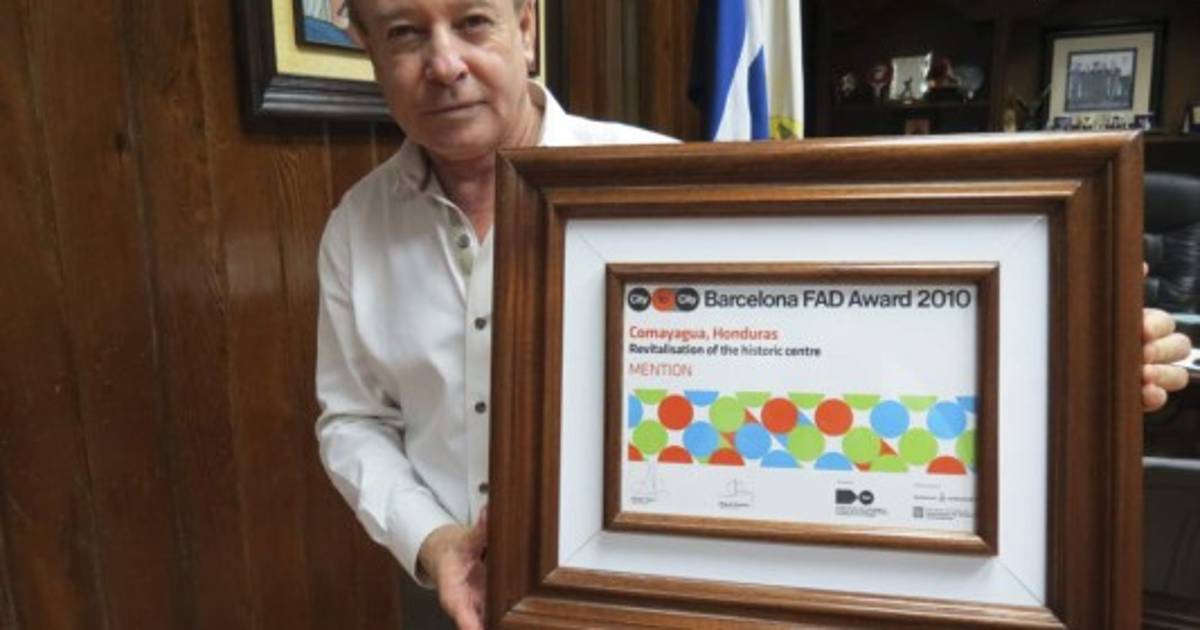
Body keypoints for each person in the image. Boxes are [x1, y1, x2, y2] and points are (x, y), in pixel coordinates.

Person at [314, 1, 1192, 628]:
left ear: (525, 28)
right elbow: (352, 419)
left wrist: (1076, 354)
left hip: (649, 596)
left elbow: (843, 335)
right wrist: (434, 545)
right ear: (367, 48)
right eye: (404, 33)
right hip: (442, 595)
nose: (444, 64)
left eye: (472, 22)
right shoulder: (354, 227)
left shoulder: (663, 183)